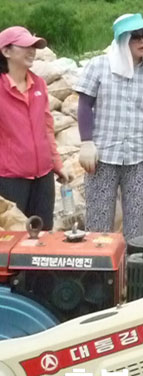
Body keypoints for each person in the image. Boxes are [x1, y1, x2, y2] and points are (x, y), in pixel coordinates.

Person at [74, 13, 143, 240]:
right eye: (136, 37)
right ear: (123, 40)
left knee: (136, 222)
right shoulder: (99, 66)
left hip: (139, 155)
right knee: (99, 220)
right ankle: (100, 262)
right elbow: (85, 105)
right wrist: (86, 142)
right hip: (103, 155)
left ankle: (131, 260)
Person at [0, 26, 68, 229]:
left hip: (43, 177)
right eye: (25, 46)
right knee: (13, 236)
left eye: (34, 47)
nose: (32, 51)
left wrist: (57, 163)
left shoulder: (38, 84)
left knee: (43, 234)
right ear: (6, 51)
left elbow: (47, 128)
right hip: (10, 178)